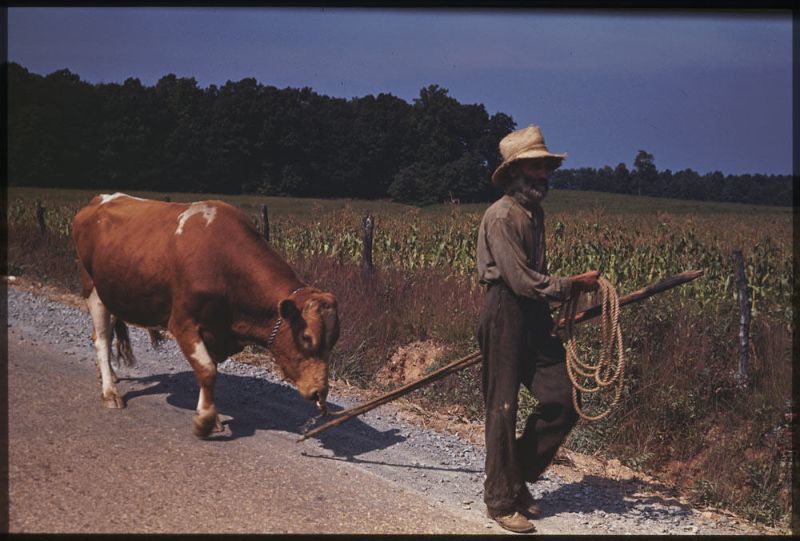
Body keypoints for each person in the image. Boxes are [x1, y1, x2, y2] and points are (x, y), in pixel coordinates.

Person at [476, 125, 600, 533]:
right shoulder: (501, 216)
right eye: (534, 168)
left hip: (533, 315)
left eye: (546, 168)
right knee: (503, 407)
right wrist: (571, 286)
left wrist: (560, 299)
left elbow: (535, 279)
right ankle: (499, 500)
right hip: (505, 310)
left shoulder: (535, 213)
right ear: (514, 174)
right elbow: (521, 281)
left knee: (564, 397)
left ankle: (517, 476)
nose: (543, 176)